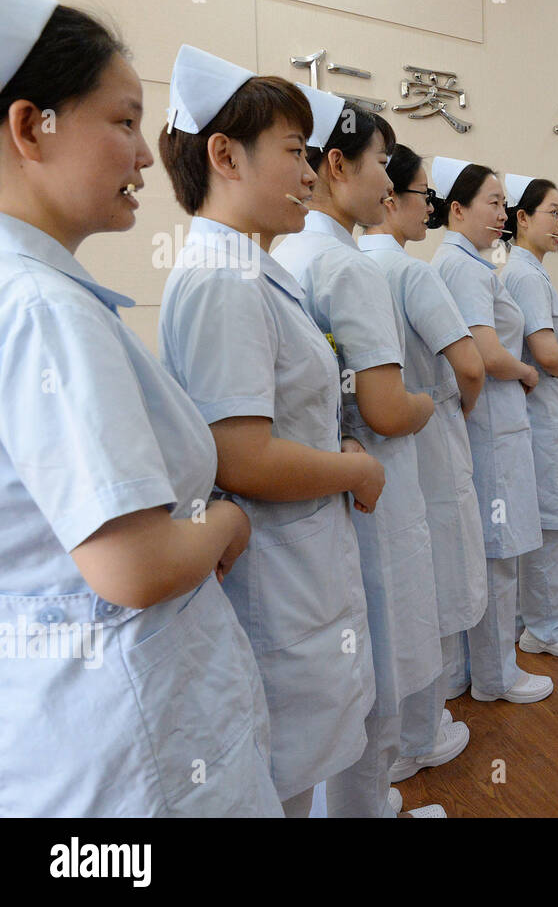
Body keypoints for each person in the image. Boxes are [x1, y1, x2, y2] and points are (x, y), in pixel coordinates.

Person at [0, 0, 280, 817]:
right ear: (30, 128)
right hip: (135, 745)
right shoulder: (44, 310)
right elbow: (132, 563)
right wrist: (226, 521)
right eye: (123, 123)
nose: (146, 156)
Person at [156, 54, 382, 816]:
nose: (310, 175)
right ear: (225, 155)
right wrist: (351, 468)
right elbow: (243, 455)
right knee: (280, 774)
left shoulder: (253, 269)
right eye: (293, 151)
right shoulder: (223, 281)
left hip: (299, 560)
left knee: (301, 763)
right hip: (274, 576)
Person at [270, 105, 443, 817]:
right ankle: (366, 807)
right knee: (383, 661)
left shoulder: (288, 255)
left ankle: (356, 804)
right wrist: (429, 402)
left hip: (325, 494)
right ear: (337, 166)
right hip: (370, 486)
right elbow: (386, 408)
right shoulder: (349, 264)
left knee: (350, 669)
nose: (390, 182)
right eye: (381, 163)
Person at [358, 145, 481, 785]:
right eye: (421, 193)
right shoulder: (412, 273)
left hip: (374, 451)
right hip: (425, 430)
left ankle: (399, 737)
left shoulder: (342, 266)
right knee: (435, 578)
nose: (427, 206)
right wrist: (458, 409)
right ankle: (424, 731)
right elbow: (470, 365)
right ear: (389, 195)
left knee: (395, 589)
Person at [431, 156, 550, 704]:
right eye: (493, 203)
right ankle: (498, 676)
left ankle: (469, 670)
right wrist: (526, 370)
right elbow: (484, 351)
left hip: (491, 425)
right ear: (456, 208)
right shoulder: (468, 268)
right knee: (499, 556)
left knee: (486, 552)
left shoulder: (462, 263)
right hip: (493, 425)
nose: (503, 214)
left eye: (505, 203)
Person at [499, 174, 558, 653]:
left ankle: (531, 621)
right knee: (552, 528)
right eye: (552, 212)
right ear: (521, 218)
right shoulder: (524, 273)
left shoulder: (531, 270)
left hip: (552, 417)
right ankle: (548, 628)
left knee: (550, 525)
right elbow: (546, 350)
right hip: (548, 417)